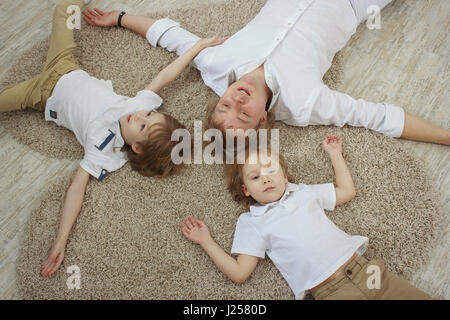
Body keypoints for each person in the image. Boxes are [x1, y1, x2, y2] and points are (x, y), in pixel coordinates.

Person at [0, 0, 227, 277]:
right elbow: (167, 75)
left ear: (137, 146)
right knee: (64, 10)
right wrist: (198, 46)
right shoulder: (137, 107)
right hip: (66, 65)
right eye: (149, 115)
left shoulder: (106, 152)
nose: (140, 117)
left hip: (40, 95)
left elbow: (76, 190)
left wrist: (60, 240)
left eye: (143, 126)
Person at [83, 0, 450, 145]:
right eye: (243, 113)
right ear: (261, 121)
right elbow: (379, 117)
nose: (235, 100)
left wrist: (118, 18)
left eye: (224, 106)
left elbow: (170, 35)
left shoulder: (214, 64)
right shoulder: (306, 104)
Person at [181, 136, 434, 299]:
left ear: (285, 177)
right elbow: (239, 273)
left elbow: (347, 192)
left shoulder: (302, 193)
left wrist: (335, 155)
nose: (266, 178)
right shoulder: (252, 222)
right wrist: (206, 242)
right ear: (246, 190)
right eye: (255, 177)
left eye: (271, 170)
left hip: (368, 272)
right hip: (332, 292)